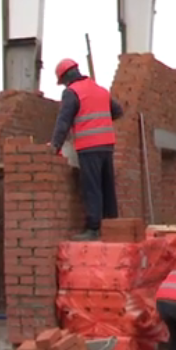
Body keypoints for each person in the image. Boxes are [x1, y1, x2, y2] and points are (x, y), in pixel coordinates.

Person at [48, 58, 125, 241]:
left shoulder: (71, 92)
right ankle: (111, 225)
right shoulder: (99, 90)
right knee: (107, 187)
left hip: (88, 146)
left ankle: (94, 229)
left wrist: (55, 146)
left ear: (65, 77)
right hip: (107, 145)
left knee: (92, 187)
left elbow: (64, 121)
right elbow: (118, 111)